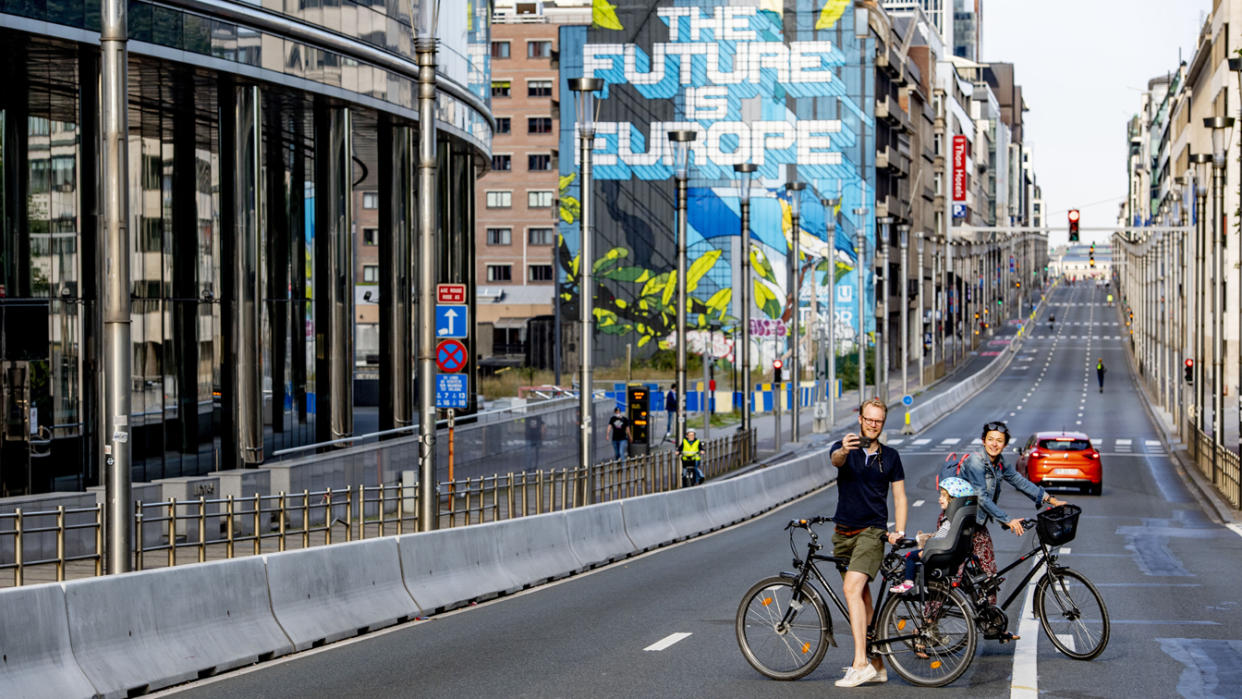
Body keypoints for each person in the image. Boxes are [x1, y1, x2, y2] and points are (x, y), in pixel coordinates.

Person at [827, 398, 908, 688]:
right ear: (860, 418)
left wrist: (898, 530)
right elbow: (835, 460)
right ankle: (877, 664)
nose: (873, 424)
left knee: (851, 588)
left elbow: (899, 496)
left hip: (872, 533)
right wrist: (843, 450)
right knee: (862, 598)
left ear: (883, 423)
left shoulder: (891, 456)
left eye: (879, 421)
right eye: (869, 419)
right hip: (842, 533)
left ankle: (859, 663)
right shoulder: (844, 447)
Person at [955, 421, 1067, 616]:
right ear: (983, 441)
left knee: (990, 574)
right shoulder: (975, 462)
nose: (994, 444)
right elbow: (980, 497)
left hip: (977, 524)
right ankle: (928, 626)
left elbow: (1018, 480)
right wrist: (1008, 520)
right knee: (952, 576)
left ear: (1005, 444)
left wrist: (1050, 499)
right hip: (959, 523)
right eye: (990, 440)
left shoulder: (999, 462)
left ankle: (989, 619)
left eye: (999, 441)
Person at [889, 477, 974, 594]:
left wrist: (929, 541)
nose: (940, 499)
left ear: (954, 500)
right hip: (952, 551)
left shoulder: (949, 521)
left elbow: (942, 537)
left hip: (940, 551)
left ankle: (908, 583)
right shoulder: (959, 518)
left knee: (910, 557)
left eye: (944, 496)